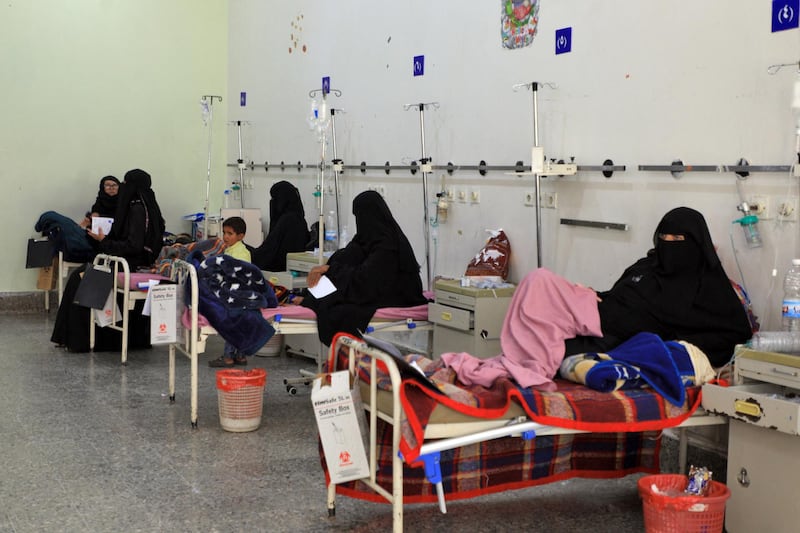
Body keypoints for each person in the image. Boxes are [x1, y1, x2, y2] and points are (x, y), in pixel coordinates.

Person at [442, 206, 753, 389]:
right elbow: (620, 294)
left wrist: (671, 341)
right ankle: (515, 360)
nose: (669, 245)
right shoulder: (647, 265)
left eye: (678, 239)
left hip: (618, 336)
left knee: (552, 327)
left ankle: (511, 367)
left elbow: (732, 335)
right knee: (536, 284)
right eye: (664, 238)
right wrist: (596, 295)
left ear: (696, 244)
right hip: (597, 313)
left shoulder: (707, 287)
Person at [51, 168, 166, 352]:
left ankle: (82, 339)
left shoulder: (137, 210)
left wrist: (104, 241)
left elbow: (134, 247)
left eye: (124, 184)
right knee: (79, 276)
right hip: (125, 262)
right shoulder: (143, 207)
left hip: (129, 266)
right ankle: (70, 337)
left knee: (79, 279)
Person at [294, 190, 428, 345]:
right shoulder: (366, 238)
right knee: (342, 270)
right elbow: (346, 258)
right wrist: (327, 268)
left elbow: (365, 280)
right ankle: (311, 298)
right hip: (373, 288)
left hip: (398, 294)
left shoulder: (388, 245)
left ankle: (310, 302)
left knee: (340, 309)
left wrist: (331, 270)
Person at [209, 216, 252, 367]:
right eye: (224, 233)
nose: (225, 237)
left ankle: (228, 357)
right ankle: (240, 356)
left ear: (240, 236)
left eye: (230, 233)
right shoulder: (230, 250)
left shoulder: (241, 253)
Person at [250, 180, 310, 271]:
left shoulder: (286, 220)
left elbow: (268, 251)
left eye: (274, 198)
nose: (272, 202)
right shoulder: (300, 219)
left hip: (278, 269)